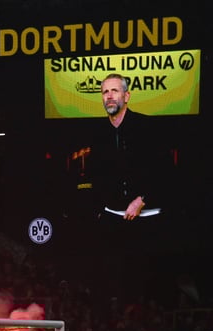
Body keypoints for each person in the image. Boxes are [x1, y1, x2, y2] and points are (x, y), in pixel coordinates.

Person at [84, 73, 174, 299]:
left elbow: (165, 172)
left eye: (114, 91)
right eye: (105, 92)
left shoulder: (147, 127)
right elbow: (96, 176)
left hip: (149, 218)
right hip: (113, 218)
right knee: (115, 286)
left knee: (151, 287)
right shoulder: (98, 134)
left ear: (127, 95)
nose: (109, 97)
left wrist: (142, 199)